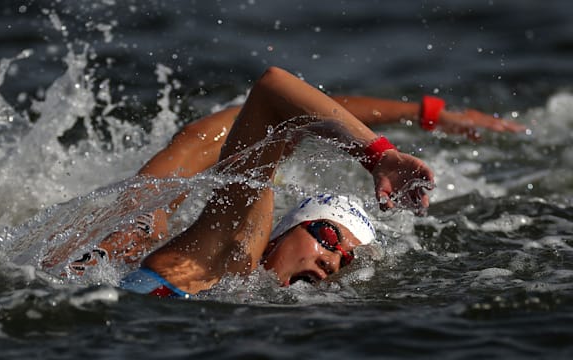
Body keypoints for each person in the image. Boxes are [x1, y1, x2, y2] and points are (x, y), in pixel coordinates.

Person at [42, 66, 525, 297]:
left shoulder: (250, 294)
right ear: (280, 229)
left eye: (346, 258)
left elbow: (303, 111)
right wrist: (380, 153)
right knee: (161, 187)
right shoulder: (228, 252)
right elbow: (277, 94)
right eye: (331, 237)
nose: (335, 260)